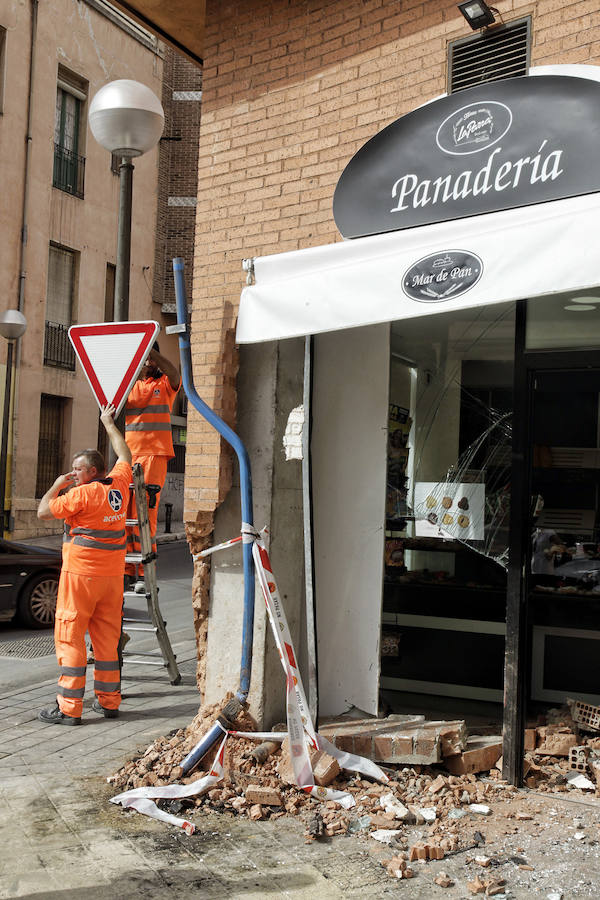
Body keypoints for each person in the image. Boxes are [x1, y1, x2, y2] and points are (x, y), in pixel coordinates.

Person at [37, 404, 132, 725]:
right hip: (111, 578)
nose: (73, 473)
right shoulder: (118, 485)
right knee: (106, 640)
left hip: (80, 577)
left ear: (92, 471)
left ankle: (68, 708)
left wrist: (58, 484)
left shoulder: (82, 495)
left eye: (77, 470)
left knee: (70, 636)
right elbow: (124, 453)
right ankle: (108, 702)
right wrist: (108, 423)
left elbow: (43, 511)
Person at [124, 342, 180, 588]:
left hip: (153, 455)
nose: (147, 363)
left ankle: (146, 571)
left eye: (149, 358)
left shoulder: (164, 385)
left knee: (144, 513)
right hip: (127, 455)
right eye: (143, 358)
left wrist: (152, 352)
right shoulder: (130, 385)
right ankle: (128, 569)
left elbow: (176, 374)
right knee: (125, 513)